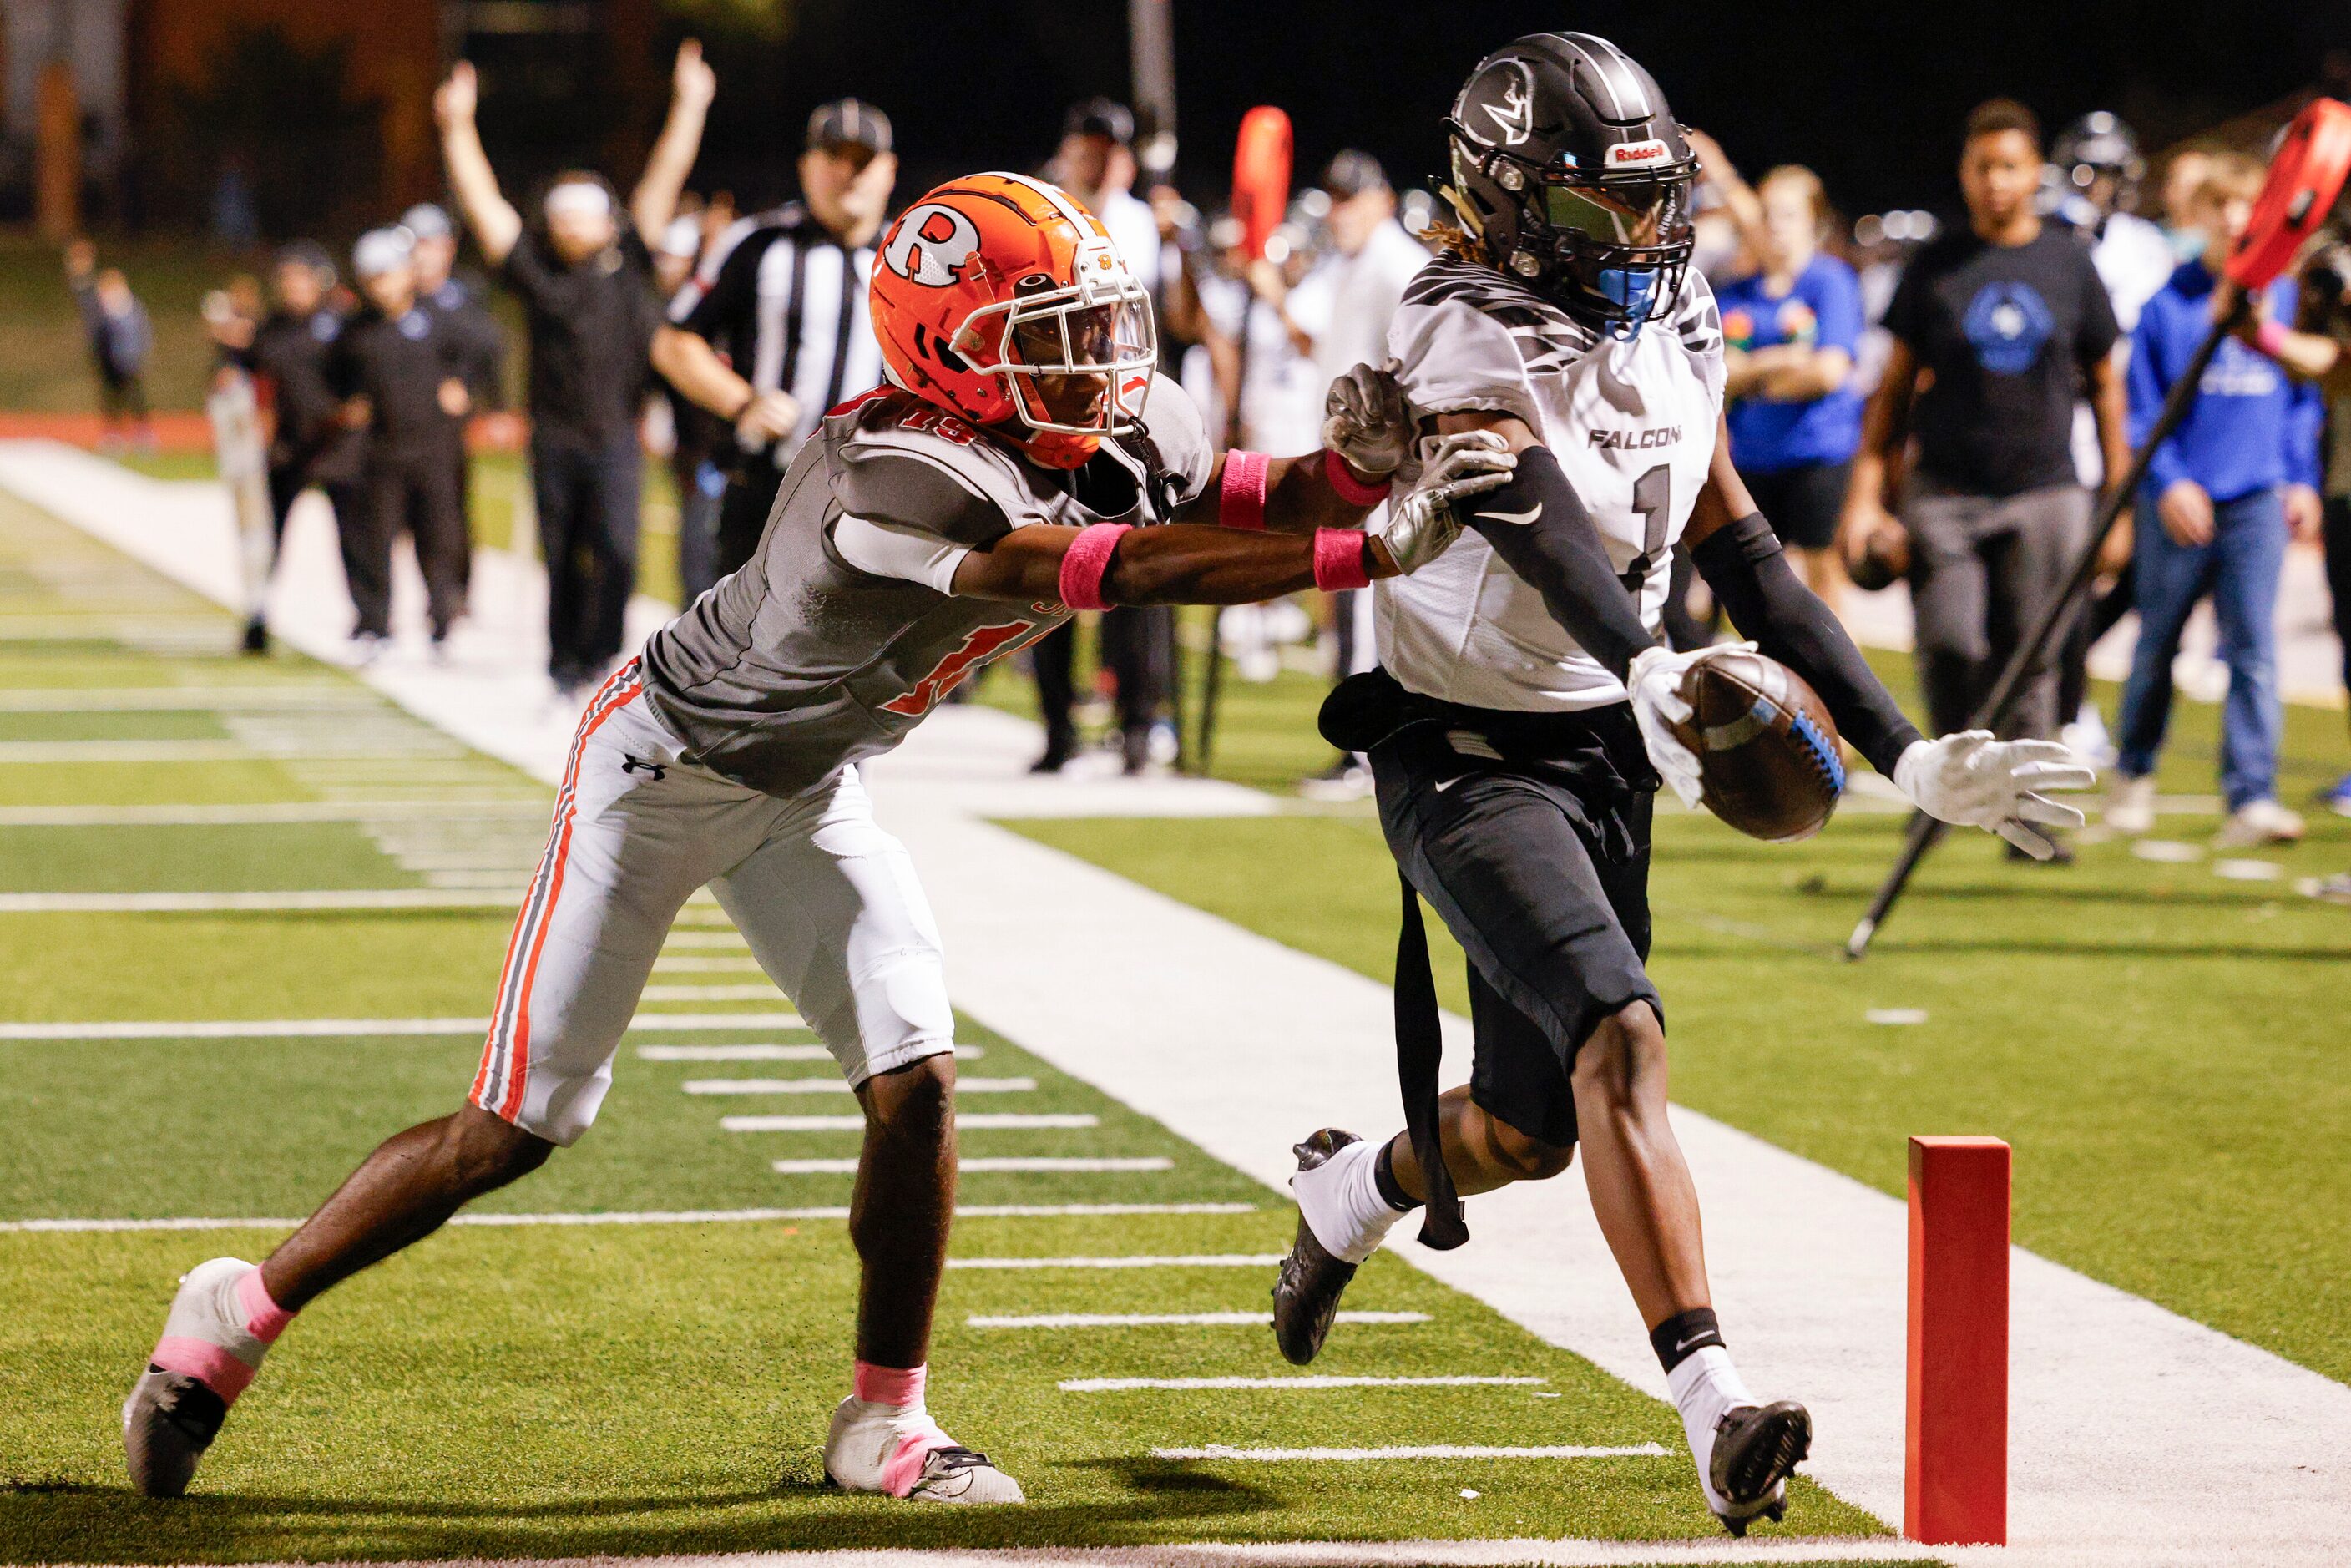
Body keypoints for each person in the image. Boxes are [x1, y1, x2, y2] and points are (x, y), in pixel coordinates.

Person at [120, 169, 1512, 1506]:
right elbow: (1107, 568)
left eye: (1097, 326)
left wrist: (1354, 470)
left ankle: (886, 1415)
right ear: (950, 354)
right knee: (518, 1124)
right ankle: (238, 1309)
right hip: (664, 765)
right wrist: (1375, 542)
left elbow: (1231, 499)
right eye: (1051, 338)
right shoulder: (890, 474)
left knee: (916, 1077)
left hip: (809, 779)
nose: (1097, 363)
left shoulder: (1096, 423)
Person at [1267, 34, 2094, 1539]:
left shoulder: (1679, 315)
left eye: (1655, 203)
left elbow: (1750, 556)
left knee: (1526, 1130)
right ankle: (1717, 1409)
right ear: (1509, 206)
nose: (1646, 237)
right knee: (1621, 1035)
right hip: (1463, 741)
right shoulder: (1458, 317)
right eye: (1604, 208)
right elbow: (1523, 508)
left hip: (1599, 736)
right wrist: (1640, 650)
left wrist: (1901, 748)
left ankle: (1344, 1199)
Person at [1840, 99, 2128, 861]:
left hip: (2047, 488)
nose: (1995, 182)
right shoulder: (1936, 264)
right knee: (1950, 643)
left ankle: (2030, 818)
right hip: (1946, 491)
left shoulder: (2069, 262)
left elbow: (2107, 387)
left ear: (2034, 173)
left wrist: (2118, 504)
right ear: (1965, 174)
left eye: (2009, 167)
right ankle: (1948, 791)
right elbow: (1892, 395)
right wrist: (1868, 496)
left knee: (2033, 658)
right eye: (1982, 167)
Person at [435, 41, 715, 699]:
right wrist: (457, 127)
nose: (570, 227)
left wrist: (690, 104)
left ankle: (602, 651)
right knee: (561, 554)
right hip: (554, 433)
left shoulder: (631, 263)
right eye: (561, 217)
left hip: (618, 431)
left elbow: (664, 175)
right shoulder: (537, 271)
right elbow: (485, 207)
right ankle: (565, 663)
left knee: (619, 549)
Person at [2102, 154, 2320, 849]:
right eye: (2218, 208)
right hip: (2183, 507)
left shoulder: (2281, 301)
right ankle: (2132, 774)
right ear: (2197, 219)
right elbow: (2141, 415)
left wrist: (2301, 481)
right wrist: (2171, 483)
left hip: (2256, 502)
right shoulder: (2169, 304)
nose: (2232, 221)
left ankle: (2251, 795)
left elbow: (2302, 403)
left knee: (2254, 653)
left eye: (2245, 207)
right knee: (2157, 646)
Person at [651, 97, 897, 602]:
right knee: (740, 647)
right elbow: (673, 340)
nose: (848, 174)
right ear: (807, 167)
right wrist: (742, 402)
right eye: (834, 158)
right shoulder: (756, 243)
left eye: (863, 161)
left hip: (880, 498)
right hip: (767, 486)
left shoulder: (917, 263)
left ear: (889, 172)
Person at [1027, 98, 1176, 772]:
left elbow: (1175, 320)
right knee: (1050, 569)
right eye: (1090, 146)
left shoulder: (1148, 223)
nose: (1102, 160)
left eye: (1113, 149)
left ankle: (1138, 723)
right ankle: (1059, 727)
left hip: (1127, 415)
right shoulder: (1039, 211)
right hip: (1053, 411)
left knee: (1134, 573)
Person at [1287, 150, 1431, 794]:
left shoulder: (1397, 265)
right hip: (1357, 459)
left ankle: (1365, 749)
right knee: (1350, 595)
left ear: (1382, 200)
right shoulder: (1359, 264)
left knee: (1365, 599)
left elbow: (1413, 369)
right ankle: (1363, 745)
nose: (1341, 211)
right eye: (1336, 199)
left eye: (1352, 198)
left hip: (1381, 464)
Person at [1685, 139, 1865, 611]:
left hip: (1815, 453)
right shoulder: (1737, 289)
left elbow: (1828, 373)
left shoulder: (1831, 281)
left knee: (1820, 579)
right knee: (1730, 586)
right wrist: (1783, 364)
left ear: (1814, 222)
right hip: (1749, 457)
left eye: (1788, 215)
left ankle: (1833, 684)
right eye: (1767, 214)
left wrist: (1751, 375)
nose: (1775, 227)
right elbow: (1713, 374)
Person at [2045, 113, 2177, 763]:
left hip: (2133, 433)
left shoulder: (2148, 248)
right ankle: (2071, 705)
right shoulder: (2050, 238)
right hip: (2063, 433)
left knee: (2131, 579)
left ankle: (2063, 684)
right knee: (2065, 580)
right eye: (2087, 170)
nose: (2097, 184)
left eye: (2109, 171)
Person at [210, 241, 367, 651]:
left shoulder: (343, 323)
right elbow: (242, 370)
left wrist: (358, 404)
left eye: (300, 277)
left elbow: (369, 366)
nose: (292, 286)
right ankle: (258, 615)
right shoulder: (273, 327)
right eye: (286, 278)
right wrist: (228, 351)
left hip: (337, 444)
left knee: (356, 536)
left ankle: (371, 618)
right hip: (287, 445)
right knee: (268, 537)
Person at [327, 227, 476, 654]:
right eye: (371, 278)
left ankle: (443, 619)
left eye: (387, 274)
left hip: (434, 450)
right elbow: (334, 374)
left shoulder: (439, 318)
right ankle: (375, 623)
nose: (380, 286)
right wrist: (346, 404)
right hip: (381, 452)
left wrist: (462, 384)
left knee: (438, 538)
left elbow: (482, 350)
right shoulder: (355, 330)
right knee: (374, 539)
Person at [403, 201, 508, 587]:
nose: (421, 255)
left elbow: (486, 350)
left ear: (447, 248)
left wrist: (487, 400)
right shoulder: (397, 296)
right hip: (402, 419)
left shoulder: (466, 295)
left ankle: (453, 589)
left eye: (429, 244)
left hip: (446, 423)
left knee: (447, 510)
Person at [66, 242, 154, 453]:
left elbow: (142, 331)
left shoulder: (131, 306)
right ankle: (114, 435)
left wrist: (140, 353)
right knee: (110, 398)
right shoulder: (100, 307)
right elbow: (84, 296)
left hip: (128, 358)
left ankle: (142, 435)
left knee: (135, 396)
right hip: (107, 359)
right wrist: (81, 270)